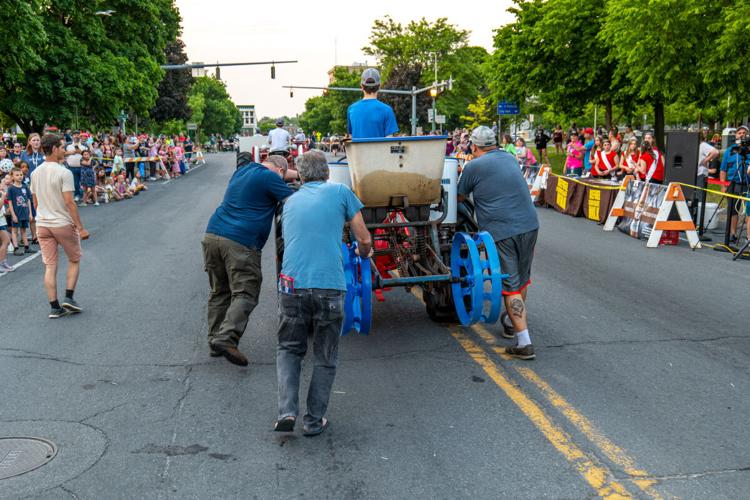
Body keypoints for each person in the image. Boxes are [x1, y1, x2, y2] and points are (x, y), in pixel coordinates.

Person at [274, 150, 372, 436]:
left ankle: (286, 412)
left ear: (301, 176)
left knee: (289, 350)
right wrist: (364, 253)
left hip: (292, 286)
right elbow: (363, 238)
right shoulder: (341, 192)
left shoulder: (289, 202)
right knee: (325, 355)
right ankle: (314, 421)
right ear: (327, 173)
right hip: (329, 286)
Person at [202, 153, 294, 366]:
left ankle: (214, 340)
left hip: (212, 235)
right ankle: (226, 339)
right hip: (240, 241)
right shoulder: (271, 178)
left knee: (220, 291)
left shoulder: (242, 171)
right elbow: (293, 203)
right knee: (246, 291)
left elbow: (278, 171)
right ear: (280, 171)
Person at [457, 126, 539, 360]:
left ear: (473, 146)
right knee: (523, 278)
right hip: (530, 224)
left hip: (502, 229)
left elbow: (460, 197)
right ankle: (511, 321)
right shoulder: (511, 158)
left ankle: (524, 342)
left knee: (509, 284)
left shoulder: (473, 166)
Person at [31, 134, 87, 318]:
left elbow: (36, 202)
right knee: (74, 259)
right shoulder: (65, 172)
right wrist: (80, 227)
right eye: (62, 147)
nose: (65, 150)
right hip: (62, 223)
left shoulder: (35, 172)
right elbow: (70, 203)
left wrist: (43, 216)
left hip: (42, 224)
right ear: (54, 149)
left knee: (50, 265)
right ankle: (69, 298)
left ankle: (55, 307)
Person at [346, 68, 398, 139]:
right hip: (379, 150)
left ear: (361, 86)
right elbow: (389, 141)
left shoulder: (351, 109)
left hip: (358, 150)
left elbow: (350, 138)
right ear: (379, 86)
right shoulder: (387, 110)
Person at [719, 125, 750, 242]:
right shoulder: (729, 151)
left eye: (744, 133)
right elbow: (723, 170)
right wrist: (723, 186)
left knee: (748, 210)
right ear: (736, 135)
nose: (741, 134)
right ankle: (732, 233)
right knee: (733, 209)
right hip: (734, 183)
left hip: (747, 183)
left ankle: (748, 236)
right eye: (739, 133)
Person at [7, 167, 34, 256]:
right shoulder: (11, 188)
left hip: (25, 213)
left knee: (24, 230)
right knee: (15, 231)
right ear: (12, 177)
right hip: (16, 213)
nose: (19, 177)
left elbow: (28, 200)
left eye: (21, 175)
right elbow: (10, 203)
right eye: (17, 175)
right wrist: (13, 215)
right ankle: (16, 248)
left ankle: (26, 247)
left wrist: (30, 213)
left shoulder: (25, 187)